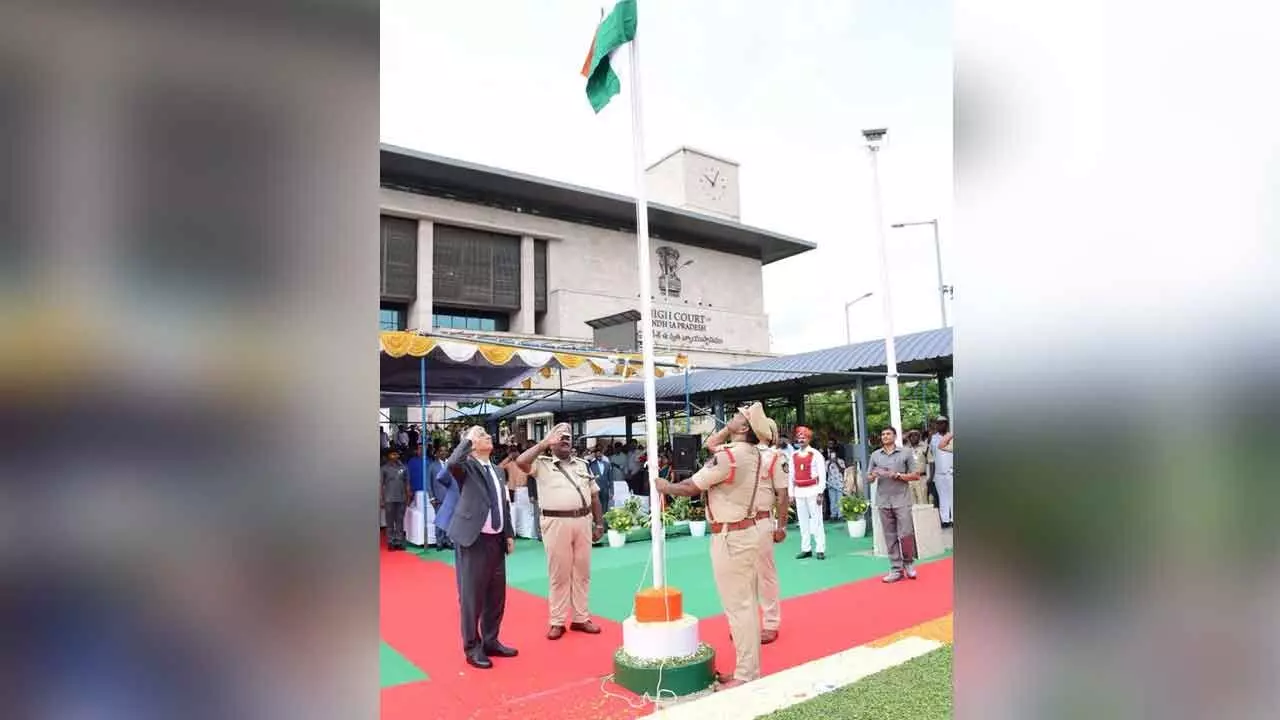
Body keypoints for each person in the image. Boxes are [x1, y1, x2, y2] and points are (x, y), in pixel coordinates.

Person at [657, 403, 771, 690]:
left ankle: (747, 674)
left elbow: (689, 488)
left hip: (731, 537)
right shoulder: (749, 453)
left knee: (739, 608)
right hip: (743, 532)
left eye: (736, 417)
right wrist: (734, 428)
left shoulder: (731, 457)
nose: (729, 418)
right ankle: (748, 669)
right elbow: (712, 444)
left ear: (744, 428)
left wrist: (662, 486)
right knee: (743, 605)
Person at [516, 422, 605, 639]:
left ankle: (581, 618)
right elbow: (520, 461)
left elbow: (594, 496)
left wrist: (599, 523)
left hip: (583, 520)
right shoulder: (542, 464)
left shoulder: (583, 465)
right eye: (560, 437)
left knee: (582, 572)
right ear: (552, 442)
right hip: (556, 522)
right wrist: (544, 443)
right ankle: (557, 620)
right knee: (559, 573)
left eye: (568, 437)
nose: (565, 440)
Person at [709, 415, 789, 645]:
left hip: (762, 521)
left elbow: (782, 495)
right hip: (736, 523)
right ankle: (746, 626)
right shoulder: (735, 450)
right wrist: (729, 428)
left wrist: (781, 525)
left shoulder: (774, 456)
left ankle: (771, 623)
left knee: (764, 574)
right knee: (741, 577)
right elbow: (711, 445)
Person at [445, 426, 518, 669]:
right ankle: (471, 647)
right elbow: (452, 463)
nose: (488, 437)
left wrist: (508, 533)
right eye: (482, 435)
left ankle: (491, 640)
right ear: (473, 444)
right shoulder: (467, 466)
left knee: (496, 596)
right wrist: (467, 438)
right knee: (472, 597)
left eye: (487, 434)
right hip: (473, 539)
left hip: (495, 540)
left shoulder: (498, 470)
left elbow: (502, 504)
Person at [866, 427, 922, 582]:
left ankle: (909, 563)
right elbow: (868, 477)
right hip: (883, 501)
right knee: (889, 536)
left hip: (902, 499)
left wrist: (897, 475)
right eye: (882, 434)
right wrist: (873, 475)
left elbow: (916, 476)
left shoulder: (905, 452)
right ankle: (896, 569)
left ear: (895, 436)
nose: (885, 436)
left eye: (888, 434)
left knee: (905, 534)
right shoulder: (875, 455)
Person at [788, 427, 827, 560]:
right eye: (799, 437)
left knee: (817, 521)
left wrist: (820, 492)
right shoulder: (793, 455)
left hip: (813, 490)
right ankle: (806, 548)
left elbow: (822, 474)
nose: (801, 440)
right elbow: (791, 475)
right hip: (799, 491)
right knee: (803, 522)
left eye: (803, 437)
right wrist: (790, 493)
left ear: (808, 439)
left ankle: (820, 548)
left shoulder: (816, 454)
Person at [380, 449, 411, 550]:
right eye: (393, 454)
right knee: (390, 522)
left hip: (401, 498)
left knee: (400, 521)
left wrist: (408, 496)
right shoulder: (384, 469)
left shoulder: (403, 468)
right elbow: (380, 485)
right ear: (389, 456)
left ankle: (399, 541)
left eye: (397, 454)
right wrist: (381, 499)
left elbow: (407, 483)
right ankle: (391, 541)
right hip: (389, 498)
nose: (395, 456)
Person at [428, 447, 453, 550]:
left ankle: (448, 541)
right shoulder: (432, 466)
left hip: (450, 497)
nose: (443, 452)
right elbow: (428, 483)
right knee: (439, 520)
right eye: (440, 451)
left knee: (449, 520)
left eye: (445, 450)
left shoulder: (451, 465)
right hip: (438, 498)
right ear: (437, 453)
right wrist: (432, 498)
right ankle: (439, 542)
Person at [905, 430, 931, 506]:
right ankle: (914, 518)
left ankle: (924, 518)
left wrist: (931, 478)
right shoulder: (905, 450)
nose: (913, 437)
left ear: (919, 437)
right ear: (909, 438)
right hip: (909, 478)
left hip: (921, 478)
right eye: (911, 436)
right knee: (912, 503)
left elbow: (931, 462)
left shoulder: (925, 448)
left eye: (916, 435)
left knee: (923, 501)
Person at [933, 432, 954, 527]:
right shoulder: (935, 438)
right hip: (943, 472)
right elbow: (941, 445)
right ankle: (946, 520)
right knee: (944, 497)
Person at [825, 441, 847, 521]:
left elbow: (843, 471)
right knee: (832, 500)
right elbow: (825, 472)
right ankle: (833, 515)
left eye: (834, 454)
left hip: (839, 483)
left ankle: (840, 515)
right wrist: (830, 463)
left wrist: (836, 463)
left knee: (840, 500)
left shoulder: (841, 461)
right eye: (831, 454)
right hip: (831, 483)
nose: (832, 455)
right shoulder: (827, 462)